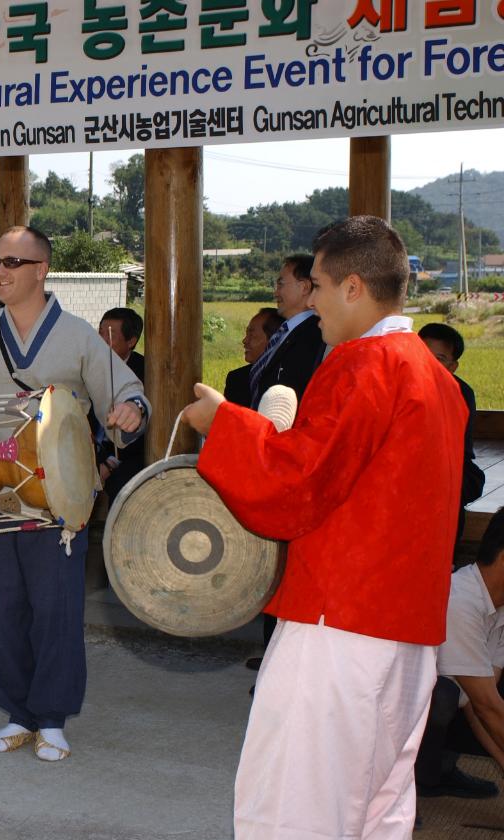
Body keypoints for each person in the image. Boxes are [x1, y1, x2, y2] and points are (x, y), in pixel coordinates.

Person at [181, 215, 466, 839]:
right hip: (407, 629)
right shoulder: (434, 376)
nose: (309, 299)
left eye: (317, 284)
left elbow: (298, 483)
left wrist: (224, 424)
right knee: (379, 807)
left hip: (341, 622)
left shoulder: (366, 364)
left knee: (297, 806)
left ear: (354, 288)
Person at [0, 226, 148, 762]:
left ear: (41, 270)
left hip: (60, 499)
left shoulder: (79, 336)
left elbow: (125, 391)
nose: (1, 271)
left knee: (54, 609)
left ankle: (51, 717)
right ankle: (16, 712)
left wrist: (130, 410)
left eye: (13, 261)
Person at [414, 507, 504, 800]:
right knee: (444, 695)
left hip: (456, 707)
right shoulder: (460, 599)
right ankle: (409, 784)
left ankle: (439, 768)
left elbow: (483, 708)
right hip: (394, 708)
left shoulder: (499, 609)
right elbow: (486, 706)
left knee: (466, 695)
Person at [419, 322, 486, 536]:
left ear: (452, 367)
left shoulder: (462, 393)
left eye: (439, 359)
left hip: (446, 464)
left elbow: (459, 449)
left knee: (454, 484)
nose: (428, 363)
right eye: (423, 354)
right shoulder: (399, 382)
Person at [248, 254, 326, 406]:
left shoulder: (316, 335)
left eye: (281, 285)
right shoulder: (285, 331)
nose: (275, 293)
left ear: (304, 287)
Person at [95, 307, 147, 503]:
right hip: (92, 449)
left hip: (126, 454)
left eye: (110, 335)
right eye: (99, 333)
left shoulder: (145, 371)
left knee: (123, 486)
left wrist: (109, 464)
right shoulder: (89, 366)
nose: (101, 341)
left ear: (131, 341)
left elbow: (142, 432)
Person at [223, 308, 285, 408]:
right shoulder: (236, 379)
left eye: (252, 335)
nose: (245, 340)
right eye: (246, 334)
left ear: (274, 339)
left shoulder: (284, 378)